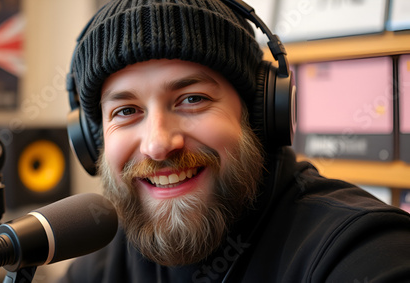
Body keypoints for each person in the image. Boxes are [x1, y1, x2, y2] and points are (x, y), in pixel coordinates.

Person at [59, 0, 410, 282]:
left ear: (259, 114)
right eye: (126, 110)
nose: (158, 144)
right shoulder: (102, 264)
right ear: (93, 141)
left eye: (192, 99)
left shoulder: (360, 250)